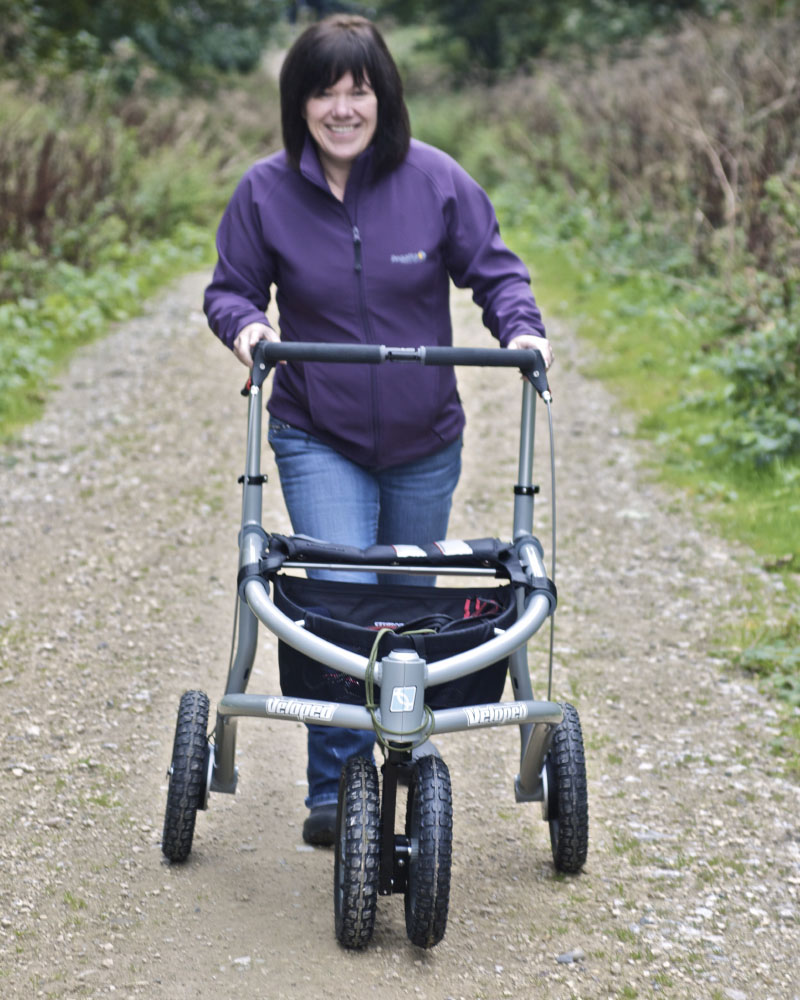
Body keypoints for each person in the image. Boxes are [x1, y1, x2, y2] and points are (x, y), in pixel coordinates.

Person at [203, 14, 553, 846]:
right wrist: (248, 330)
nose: (341, 108)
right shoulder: (264, 190)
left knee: (404, 614)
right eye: (324, 91)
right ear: (301, 103)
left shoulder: (435, 180)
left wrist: (523, 330)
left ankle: (396, 771)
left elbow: (496, 272)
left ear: (382, 95)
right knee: (342, 604)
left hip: (425, 438)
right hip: (316, 429)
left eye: (357, 89)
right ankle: (334, 792)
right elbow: (230, 290)